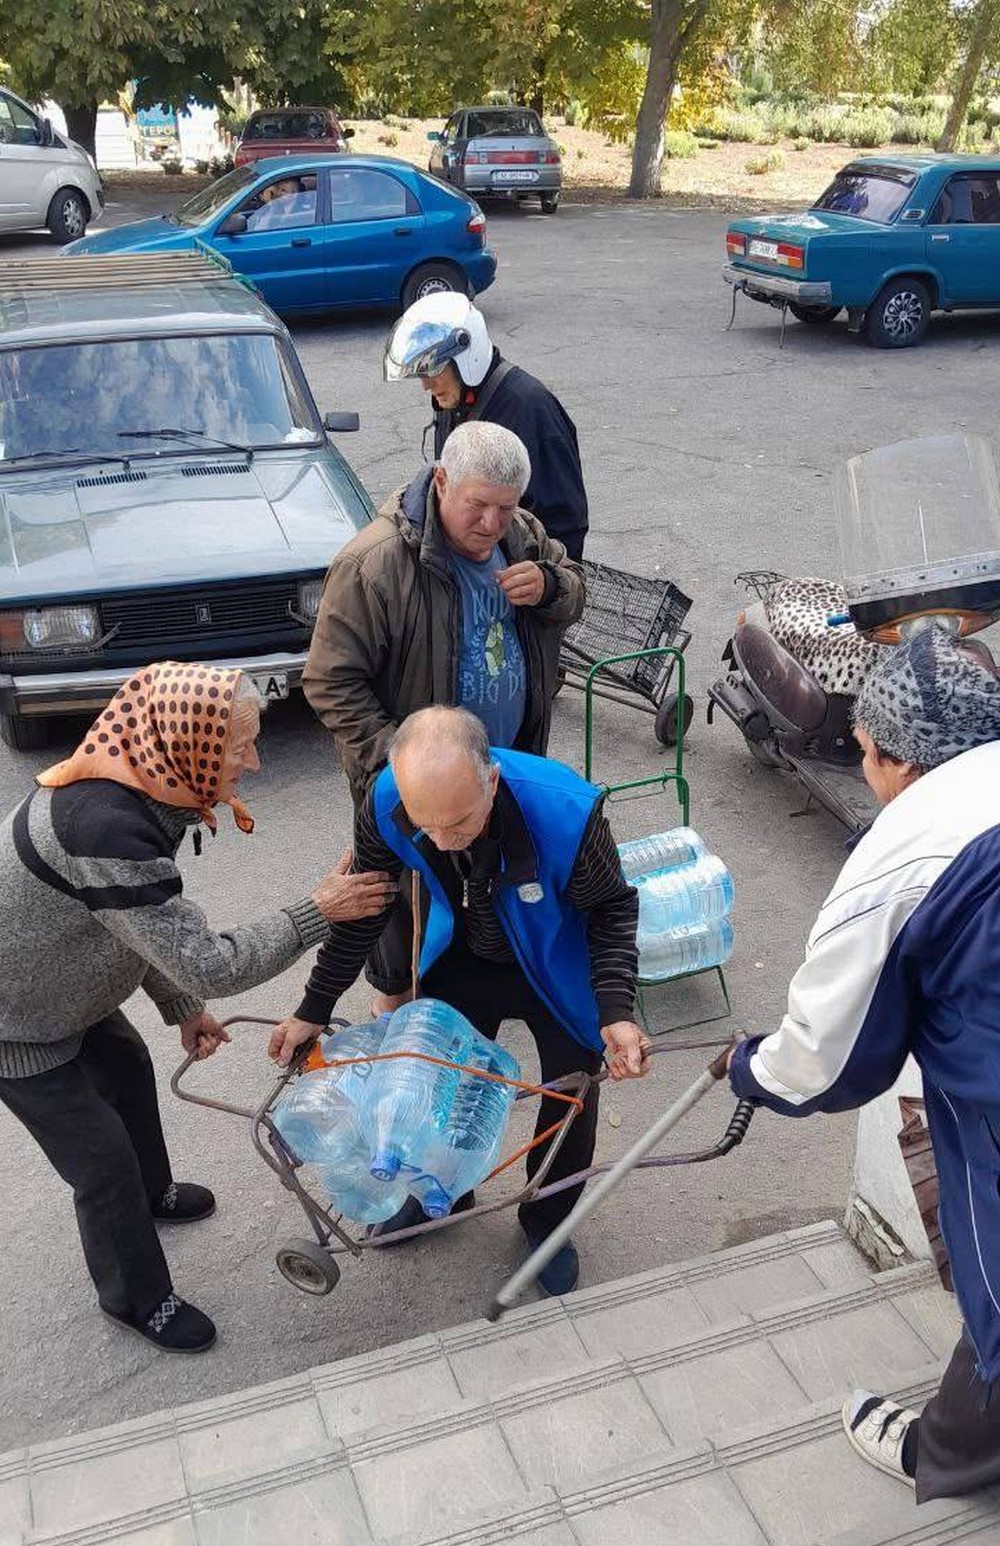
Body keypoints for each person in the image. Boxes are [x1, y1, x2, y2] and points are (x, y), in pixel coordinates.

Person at [0, 663, 395, 1354]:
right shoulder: (106, 829)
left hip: (67, 984)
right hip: (16, 1022)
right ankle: (135, 1298)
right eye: (238, 745)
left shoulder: (140, 782)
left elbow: (129, 924)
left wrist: (178, 1001)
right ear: (190, 740)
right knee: (101, 1162)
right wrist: (318, 910)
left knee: (126, 1069)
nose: (254, 761)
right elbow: (211, 961)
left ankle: (152, 1197)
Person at [726, 628, 1000, 1502]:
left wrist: (750, 1070)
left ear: (902, 763)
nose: (864, 767)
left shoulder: (902, 854)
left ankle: (945, 1454)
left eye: (867, 751)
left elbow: (828, 1056)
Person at [270, 705, 646, 1295]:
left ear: (490, 778)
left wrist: (617, 1013)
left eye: (461, 823)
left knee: (571, 1093)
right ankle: (442, 1188)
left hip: (555, 958)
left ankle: (548, 1221)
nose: (444, 840)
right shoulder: (387, 801)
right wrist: (312, 1009)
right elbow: (363, 908)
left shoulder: (567, 810)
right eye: (430, 827)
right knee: (436, 1080)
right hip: (468, 949)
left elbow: (614, 908)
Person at [303, 420, 585, 1013]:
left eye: (506, 509)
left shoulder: (523, 538)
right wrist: (405, 762)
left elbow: (576, 592)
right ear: (440, 482)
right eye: (477, 506)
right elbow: (330, 681)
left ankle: (479, 1000)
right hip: (419, 785)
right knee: (405, 911)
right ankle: (400, 1018)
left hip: (500, 771)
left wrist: (554, 585)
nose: (492, 525)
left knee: (490, 894)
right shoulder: (374, 564)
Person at [383, 292, 589, 560]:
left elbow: (565, 526)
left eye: (432, 371)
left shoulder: (531, 408)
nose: (426, 385)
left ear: (466, 357)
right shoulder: (455, 402)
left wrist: (544, 584)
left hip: (516, 582)